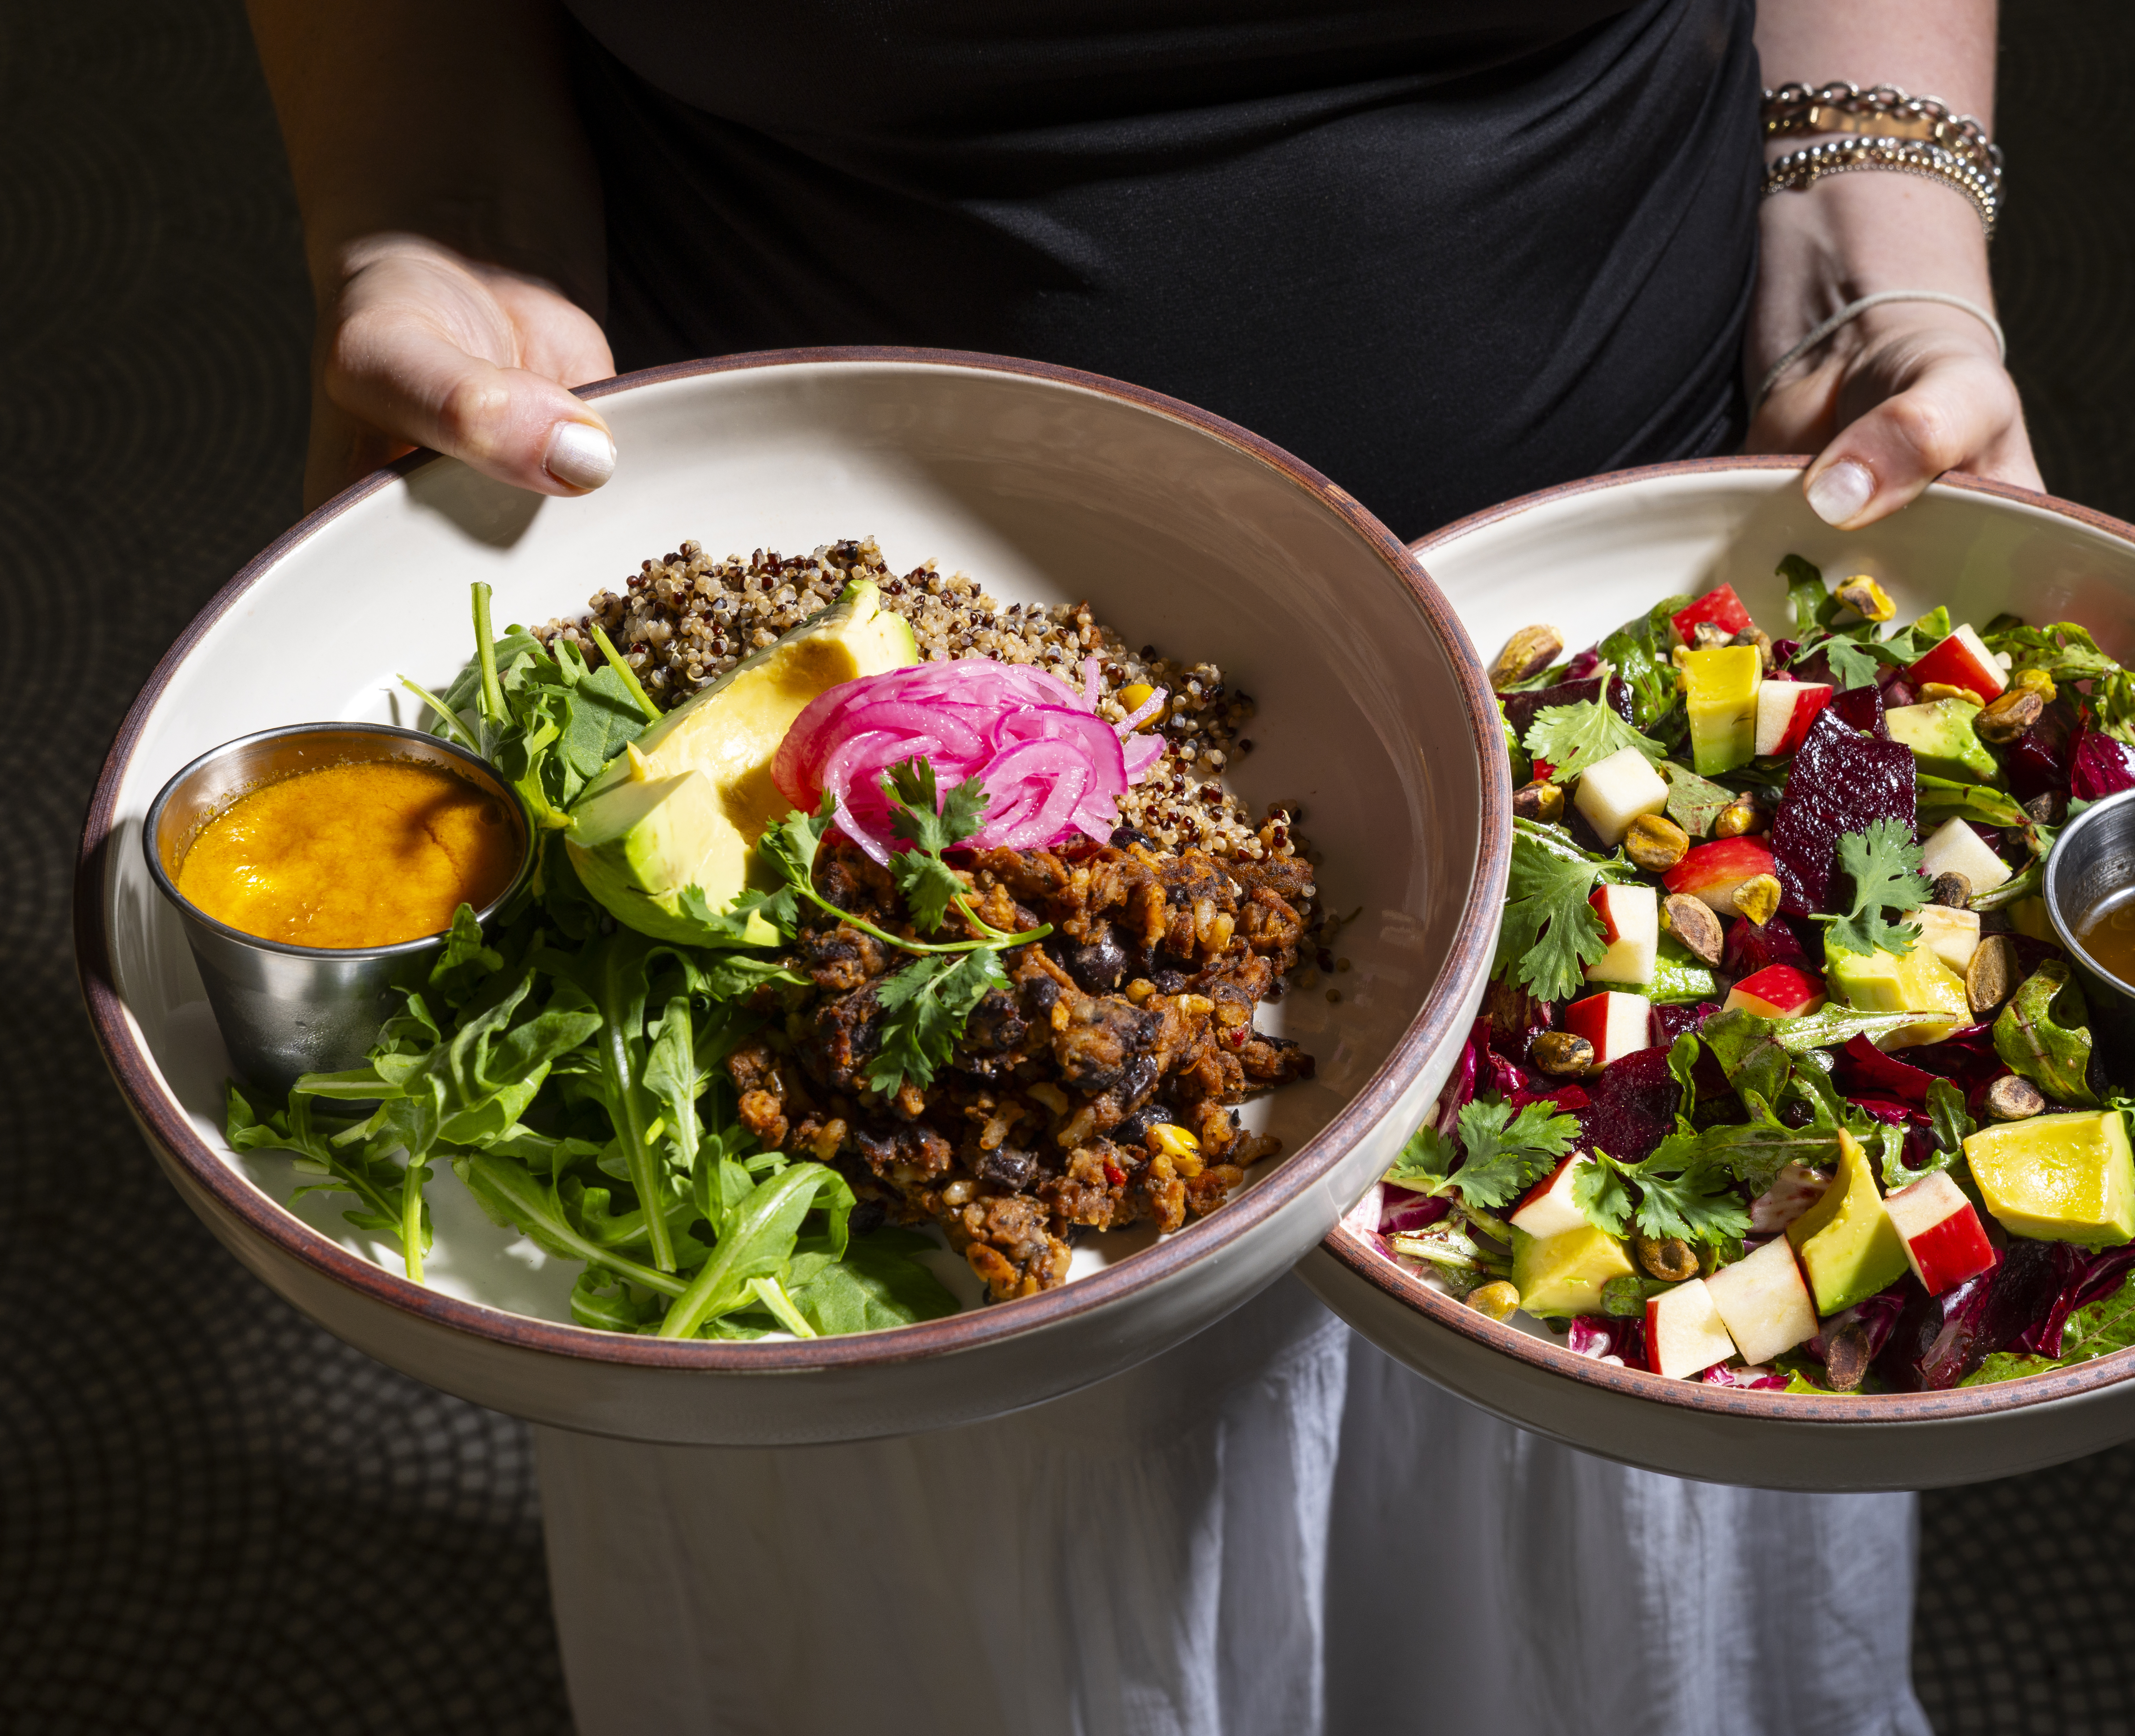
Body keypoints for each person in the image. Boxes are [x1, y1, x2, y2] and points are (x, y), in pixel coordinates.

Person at [249, 3, 2037, 1730]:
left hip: (1579, 673)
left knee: (1590, 1529)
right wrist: (434, 212)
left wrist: (1874, 211)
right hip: (763, 566)